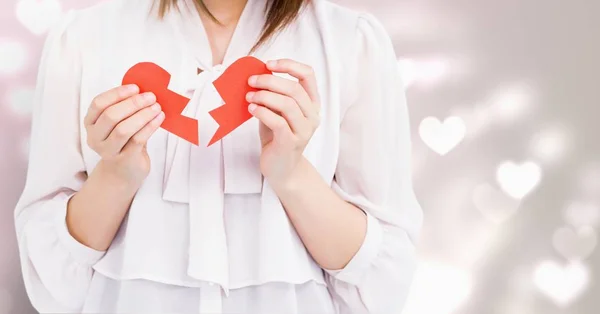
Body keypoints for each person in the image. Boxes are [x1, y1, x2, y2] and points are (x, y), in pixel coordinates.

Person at [14, 0, 423, 312]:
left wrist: (291, 173)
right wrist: (117, 174)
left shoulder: (350, 42)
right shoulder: (85, 36)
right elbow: (55, 286)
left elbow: (380, 287)